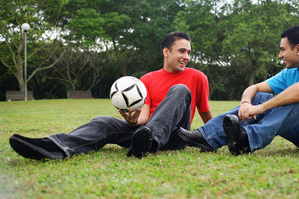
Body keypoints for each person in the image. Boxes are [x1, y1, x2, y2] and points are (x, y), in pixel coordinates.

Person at [9, 31, 213, 160]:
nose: (186, 57)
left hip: (174, 136)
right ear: (166, 52)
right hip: (142, 135)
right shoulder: (147, 79)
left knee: (180, 90)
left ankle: (149, 139)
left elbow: (205, 113)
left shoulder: (197, 77)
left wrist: (215, 137)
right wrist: (133, 121)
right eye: (182, 51)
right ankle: (55, 147)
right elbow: (145, 114)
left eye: (189, 52)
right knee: (103, 121)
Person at [176, 25, 299, 155]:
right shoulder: (291, 73)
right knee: (260, 96)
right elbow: (253, 88)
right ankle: (207, 137)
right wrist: (246, 103)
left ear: (298, 49)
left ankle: (246, 140)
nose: (280, 55)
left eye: (282, 50)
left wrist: (261, 108)